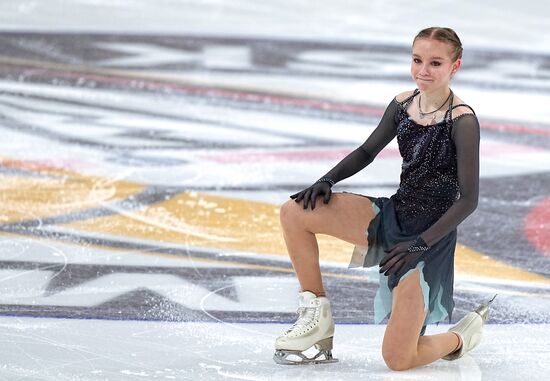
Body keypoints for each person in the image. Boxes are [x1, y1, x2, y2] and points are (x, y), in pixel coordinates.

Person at [273, 27, 496, 370]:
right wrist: (326, 179)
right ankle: (316, 315)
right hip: (392, 215)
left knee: (398, 358)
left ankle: (461, 337)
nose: (423, 70)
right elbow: (367, 151)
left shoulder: (462, 121)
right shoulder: (403, 104)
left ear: (456, 66)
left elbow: (468, 200)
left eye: (435, 63)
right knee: (295, 212)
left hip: (428, 242)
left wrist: (420, 244)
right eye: (417, 60)